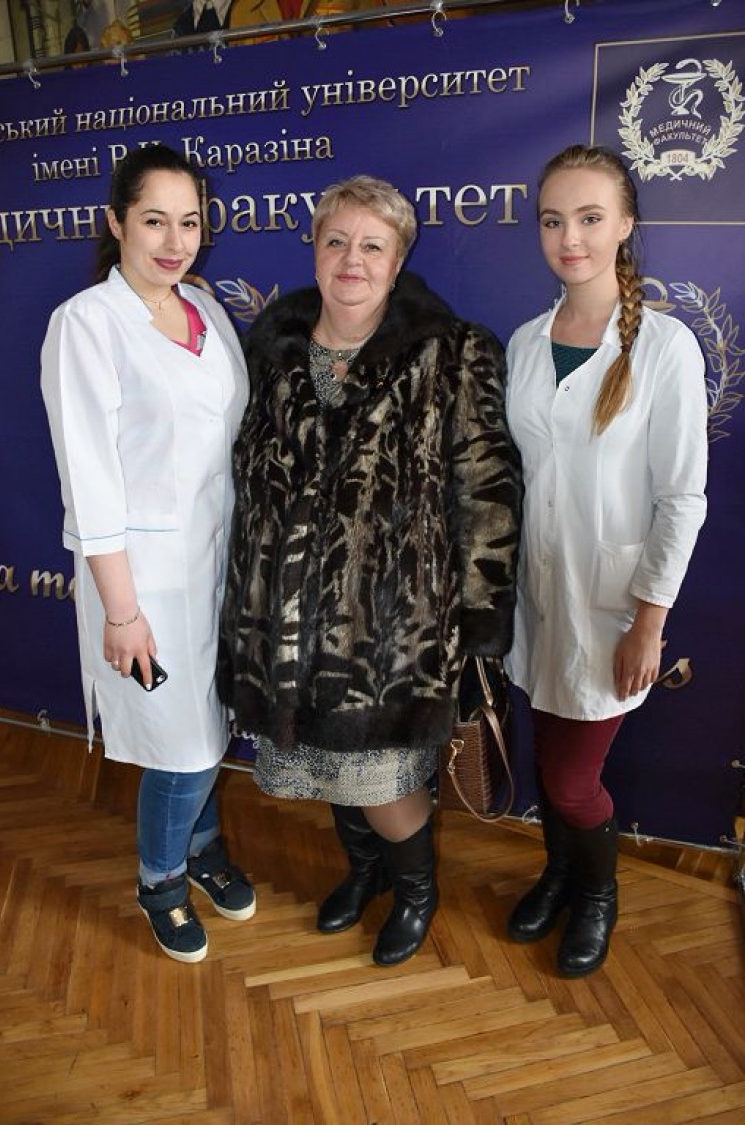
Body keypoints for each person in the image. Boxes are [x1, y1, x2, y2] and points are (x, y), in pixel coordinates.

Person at [217, 174, 522, 967]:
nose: (352, 259)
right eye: (337, 241)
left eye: (372, 245)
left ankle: (416, 889)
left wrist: (481, 620)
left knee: (381, 779)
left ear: (398, 258)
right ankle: (366, 873)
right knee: (324, 767)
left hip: (394, 627)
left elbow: (486, 488)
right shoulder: (267, 350)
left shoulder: (453, 351)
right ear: (315, 249)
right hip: (285, 621)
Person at [41, 145, 253, 964]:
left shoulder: (203, 307)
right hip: (143, 585)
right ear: (116, 222)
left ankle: (201, 847)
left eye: (189, 222)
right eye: (154, 220)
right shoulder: (87, 324)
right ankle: (160, 879)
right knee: (182, 747)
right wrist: (122, 612)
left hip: (217, 566)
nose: (175, 241)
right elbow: (90, 481)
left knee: (207, 728)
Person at [504, 144, 708, 977]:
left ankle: (597, 893)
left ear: (625, 224)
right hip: (537, 597)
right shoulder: (525, 342)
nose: (570, 239)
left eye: (590, 218)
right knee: (546, 758)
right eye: (553, 220)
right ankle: (558, 874)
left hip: (613, 605)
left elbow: (682, 498)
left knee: (572, 780)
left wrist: (649, 621)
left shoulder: (664, 347)